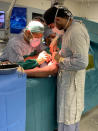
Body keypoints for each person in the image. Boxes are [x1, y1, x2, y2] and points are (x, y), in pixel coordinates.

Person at [43, 4, 90, 131]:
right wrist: (56, 39)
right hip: (67, 81)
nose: (53, 30)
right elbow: (67, 40)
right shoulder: (70, 28)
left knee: (69, 118)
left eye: (52, 27)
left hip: (72, 83)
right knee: (65, 116)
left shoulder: (76, 32)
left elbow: (82, 62)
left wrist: (60, 59)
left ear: (57, 19)